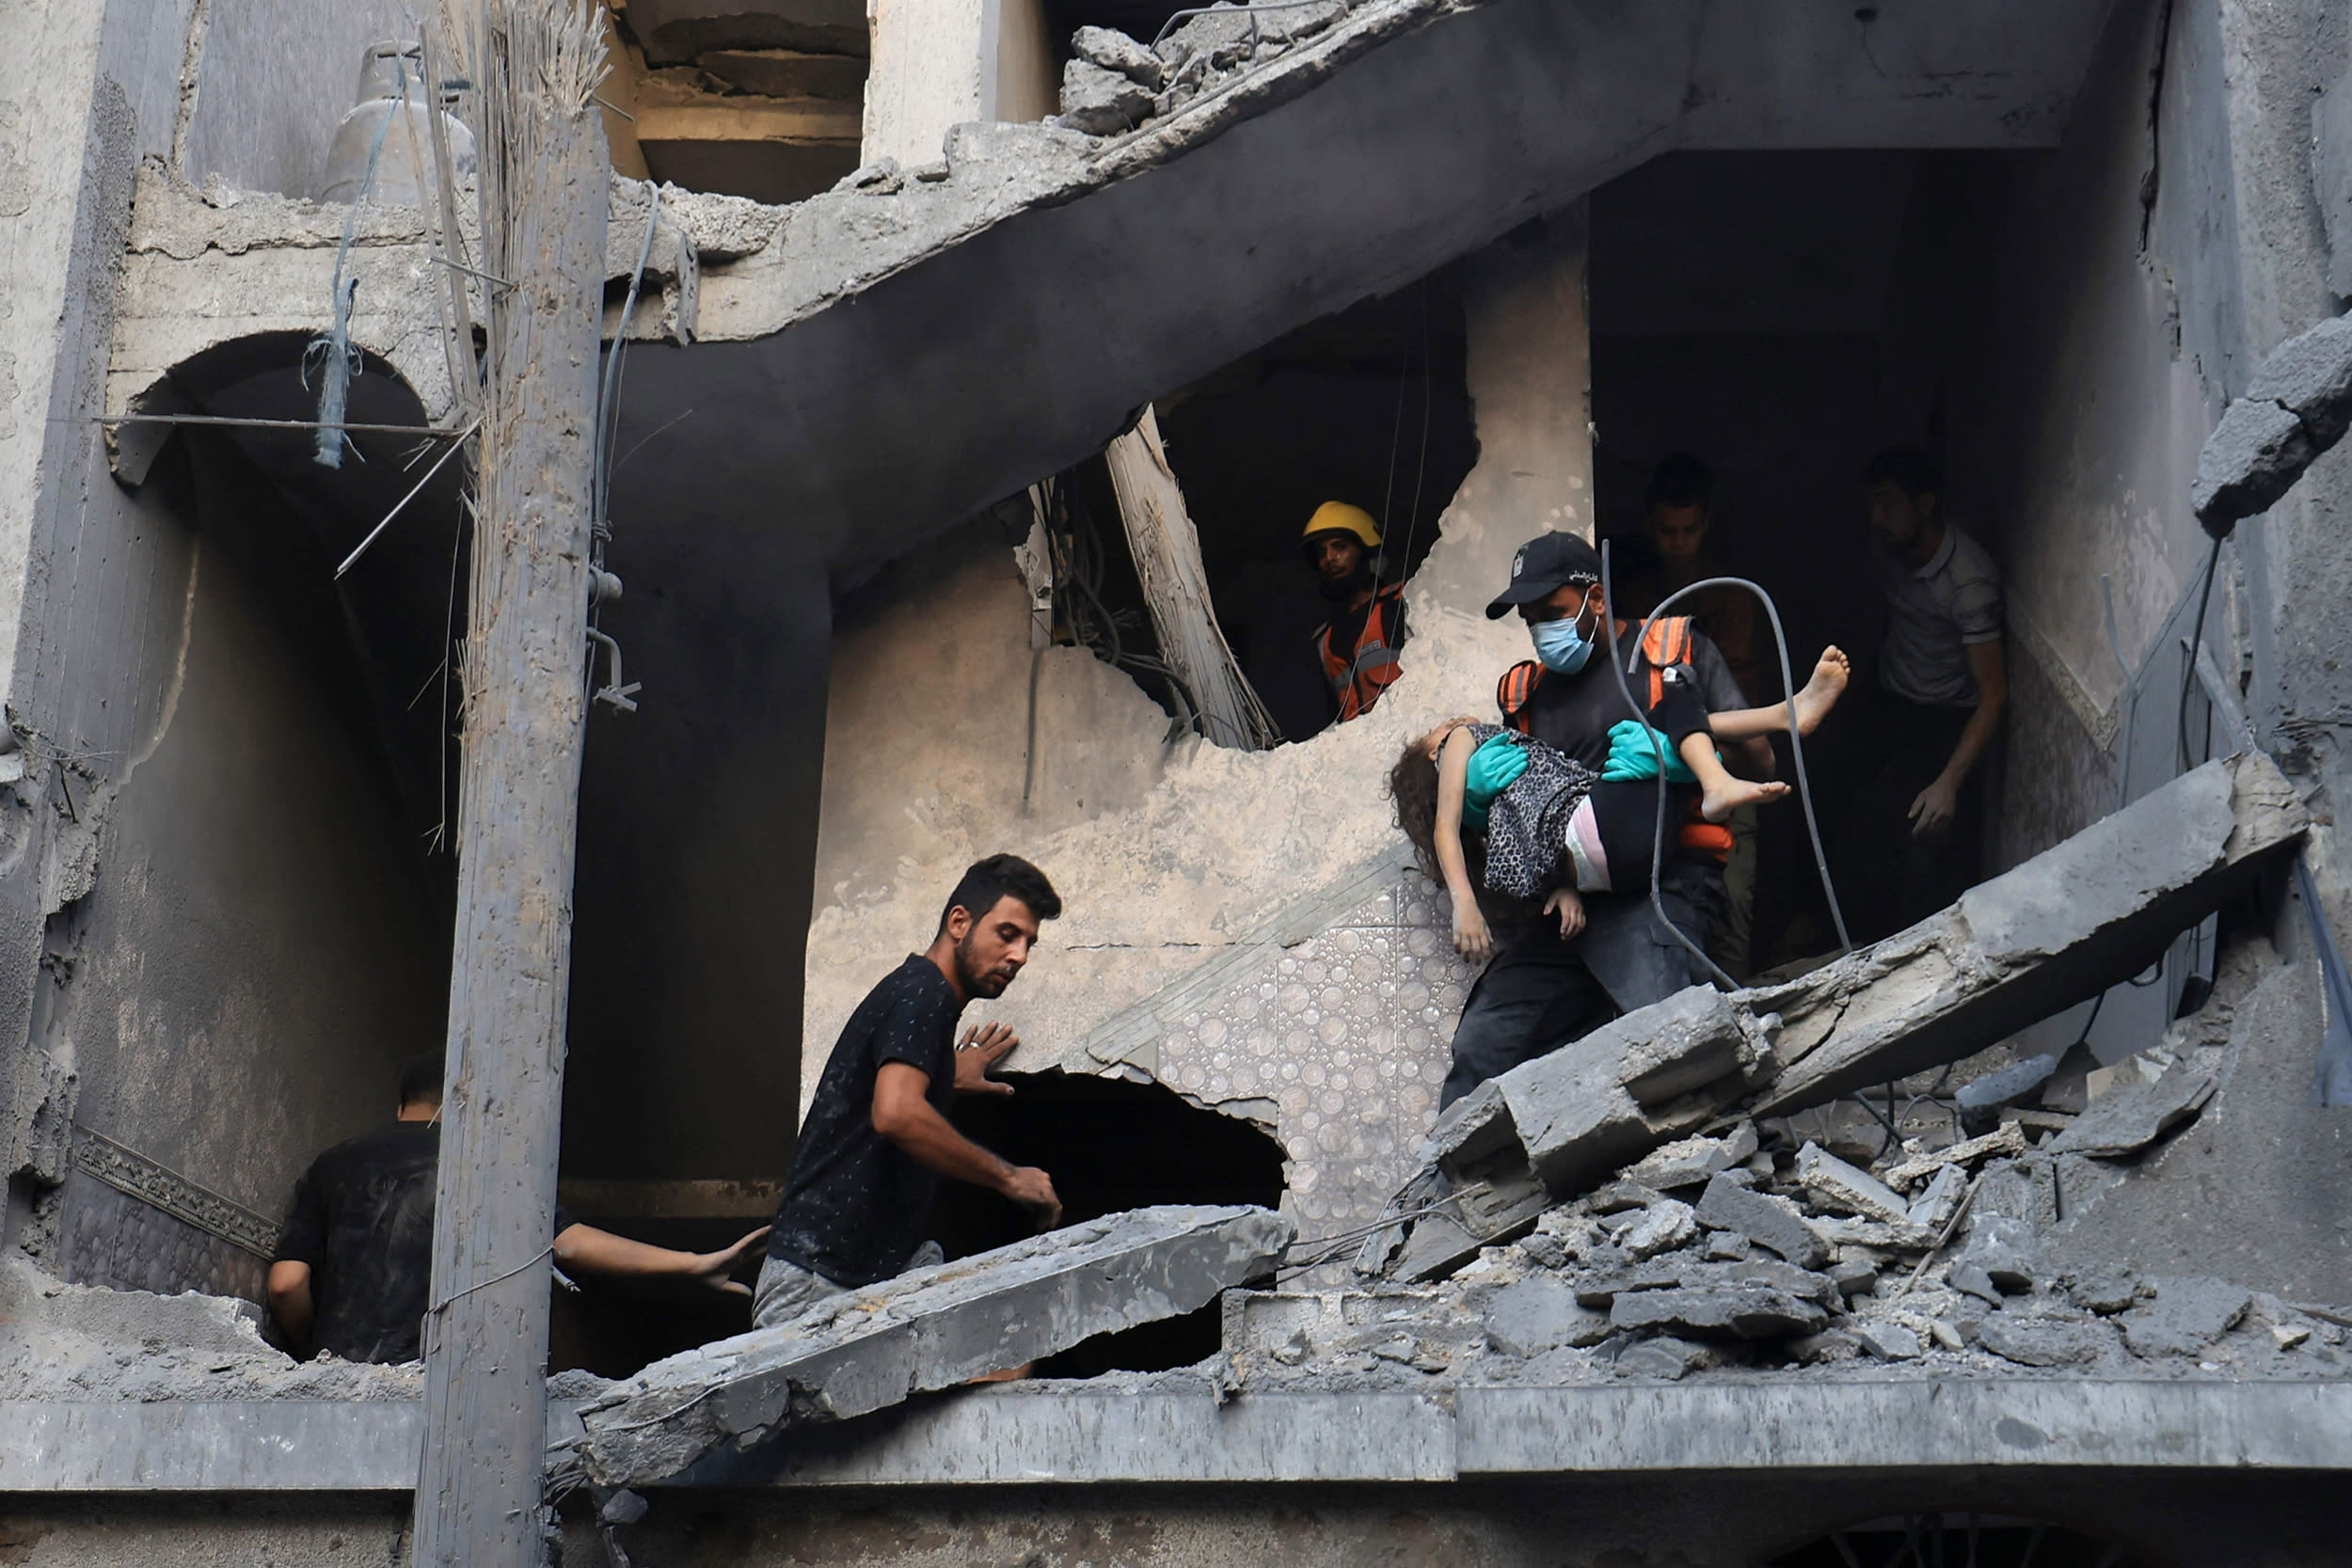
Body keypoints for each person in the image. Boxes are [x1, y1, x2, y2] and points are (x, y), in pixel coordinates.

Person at [1432, 531, 1778, 1107]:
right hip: (1568, 900)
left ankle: (1706, 1169)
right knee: (1483, 1042)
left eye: (1554, 612)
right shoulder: (1526, 693)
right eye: (1531, 619)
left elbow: (1762, 757)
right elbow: (1528, 816)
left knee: (1670, 1033)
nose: (1543, 630)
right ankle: (1446, 1190)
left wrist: (1688, 743)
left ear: (1595, 600)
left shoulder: (1668, 652)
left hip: (1658, 885)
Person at [267, 1055, 768, 1365]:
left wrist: (320, 1354)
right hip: (451, 1387)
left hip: (337, 1381)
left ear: (401, 1107)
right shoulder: (490, 1165)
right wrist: (692, 1264)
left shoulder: (331, 1165)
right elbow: (569, 1244)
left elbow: (286, 1284)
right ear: (470, 1104)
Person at [754, 854, 1065, 1330]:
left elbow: (885, 1093)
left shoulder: (918, 995)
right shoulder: (927, 993)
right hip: (820, 1286)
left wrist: (945, 1072)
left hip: (851, 1278)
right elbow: (896, 1113)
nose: (1019, 956)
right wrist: (1010, 1178)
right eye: (1007, 934)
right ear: (959, 922)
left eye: (1029, 943)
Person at [1391, 646, 1850, 962]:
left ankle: (1780, 720)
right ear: (1435, 756)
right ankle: (1752, 748)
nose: (1451, 722)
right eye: (1439, 729)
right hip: (1611, 831)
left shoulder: (1492, 817)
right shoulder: (1461, 742)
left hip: (1613, 863)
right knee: (1672, 689)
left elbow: (1530, 842)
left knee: (1662, 734)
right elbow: (1444, 830)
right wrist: (1464, 905)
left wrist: (1565, 887)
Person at [1833, 446, 2007, 942]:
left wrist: (1949, 781)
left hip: (1942, 723)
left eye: (1887, 503)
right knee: (1846, 821)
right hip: (1889, 702)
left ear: (1925, 504)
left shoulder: (1969, 580)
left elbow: (1994, 696)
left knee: (1915, 849)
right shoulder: (1891, 550)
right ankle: (1844, 944)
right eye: (1873, 504)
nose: (1875, 517)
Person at [1615, 453, 1764, 702]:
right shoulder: (1632, 591)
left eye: (1689, 530)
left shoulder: (1731, 595)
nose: (1678, 543)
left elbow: (1739, 681)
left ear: (1705, 524)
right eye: (1668, 531)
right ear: (1651, 525)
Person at [1303, 501, 1407, 724]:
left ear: (1366, 549)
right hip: (1363, 754)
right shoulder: (1323, 640)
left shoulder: (1403, 605)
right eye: (1322, 552)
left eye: (1339, 547)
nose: (1330, 558)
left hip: (1414, 744)